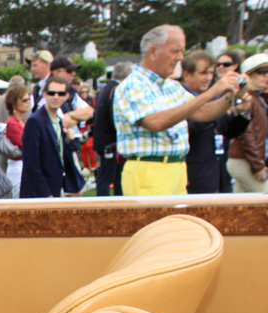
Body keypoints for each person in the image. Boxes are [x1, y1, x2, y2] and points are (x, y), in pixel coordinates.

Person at [113, 24, 241, 196]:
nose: (180, 57)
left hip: (176, 167)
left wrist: (231, 95)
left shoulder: (171, 86)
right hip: (148, 168)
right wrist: (214, 90)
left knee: (177, 222)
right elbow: (155, 122)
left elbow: (202, 112)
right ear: (153, 51)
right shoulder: (133, 85)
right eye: (175, 51)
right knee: (157, 223)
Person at [182, 50, 251, 194]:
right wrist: (210, 112)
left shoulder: (213, 97)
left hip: (218, 176)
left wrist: (242, 113)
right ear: (187, 74)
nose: (208, 77)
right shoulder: (178, 98)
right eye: (203, 73)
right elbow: (186, 130)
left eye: (210, 73)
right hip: (192, 178)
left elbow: (229, 130)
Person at [20, 76, 85, 198]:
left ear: (66, 97)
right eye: (51, 93)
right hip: (39, 194)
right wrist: (46, 194)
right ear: (44, 95)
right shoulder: (35, 121)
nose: (55, 97)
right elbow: (31, 163)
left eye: (60, 94)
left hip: (55, 187)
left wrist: (66, 140)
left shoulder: (58, 120)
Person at [227, 54, 268, 193]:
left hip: (245, 161)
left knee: (241, 210)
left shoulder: (257, 98)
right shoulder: (247, 99)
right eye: (262, 72)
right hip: (244, 161)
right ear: (248, 75)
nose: (266, 76)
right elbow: (246, 134)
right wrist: (258, 165)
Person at [93, 62, 132, 196]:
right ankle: (104, 208)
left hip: (103, 140)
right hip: (111, 142)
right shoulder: (116, 91)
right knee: (110, 178)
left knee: (110, 177)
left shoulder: (106, 90)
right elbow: (115, 117)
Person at [3, 84, 30, 198]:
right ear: (14, 103)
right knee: (20, 199)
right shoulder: (12, 123)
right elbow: (26, 144)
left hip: (24, 164)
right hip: (17, 165)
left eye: (28, 99)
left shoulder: (22, 121)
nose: (28, 102)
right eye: (24, 100)